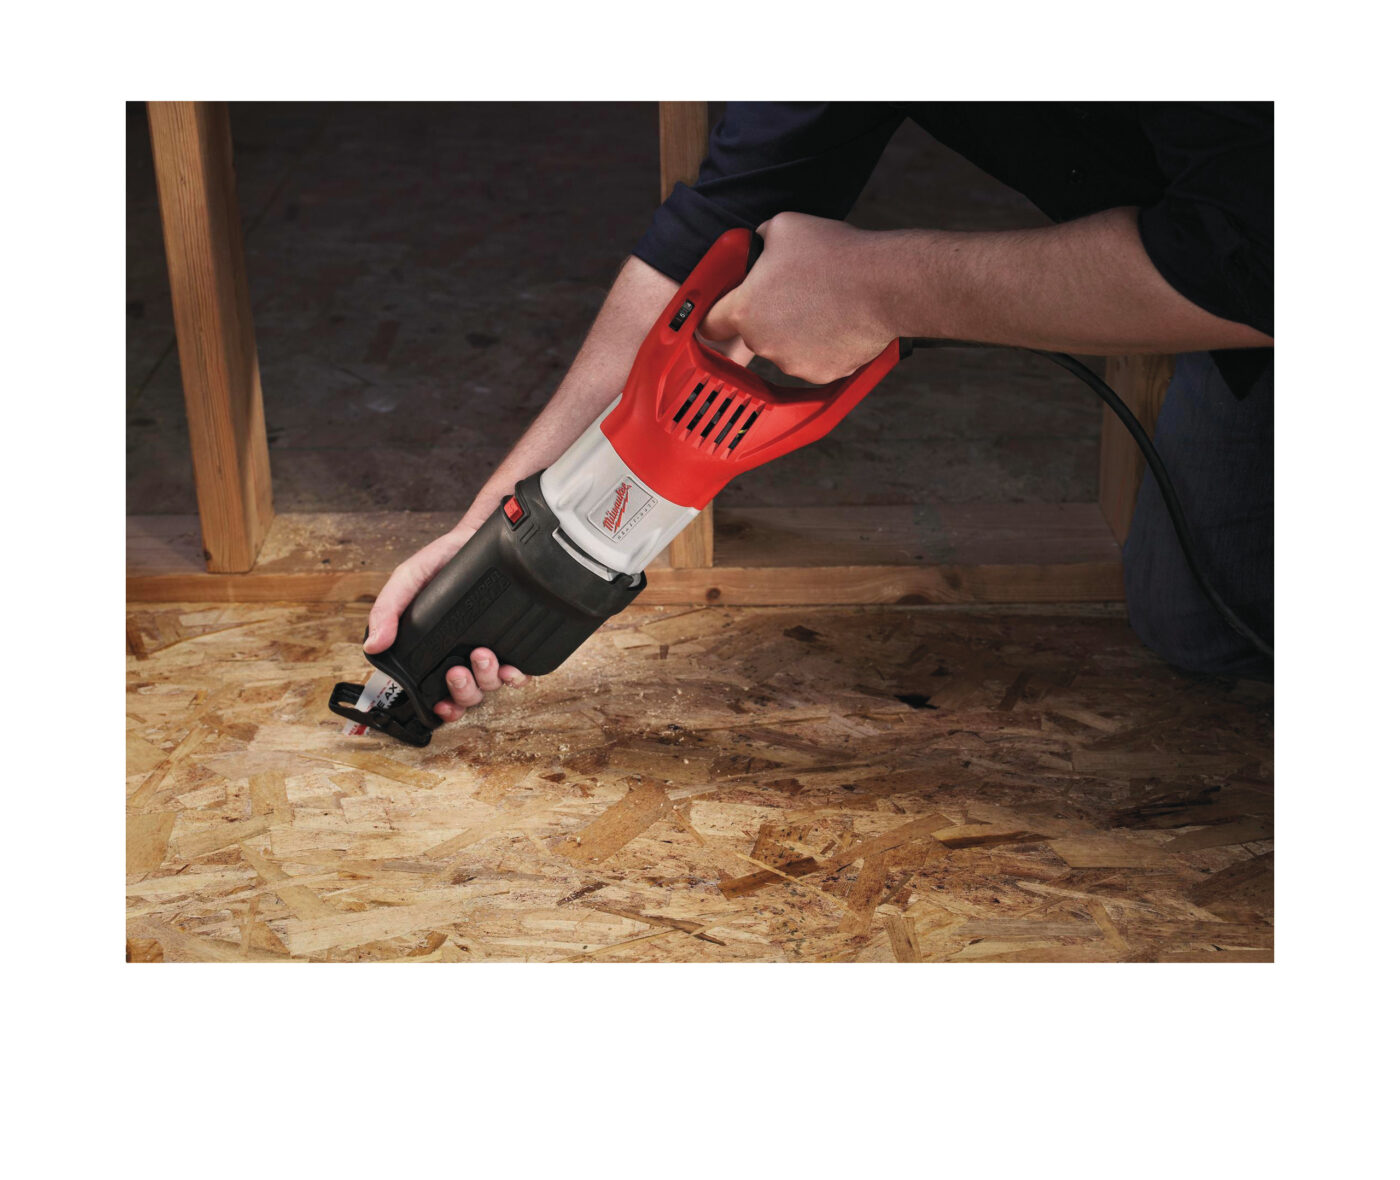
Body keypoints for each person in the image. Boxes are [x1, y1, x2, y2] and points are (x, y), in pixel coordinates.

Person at [366, 103, 1274, 722]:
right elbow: (717, 232)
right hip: (1228, 271)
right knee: (1196, 618)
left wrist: (882, 288)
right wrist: (490, 532)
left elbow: (1265, 253)